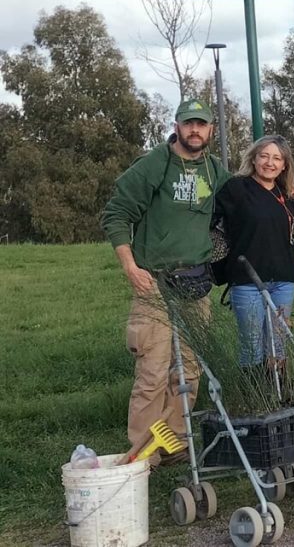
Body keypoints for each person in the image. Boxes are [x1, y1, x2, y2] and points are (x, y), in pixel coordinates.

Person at [101, 98, 229, 464]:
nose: (194, 130)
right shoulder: (155, 164)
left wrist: (284, 187)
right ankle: (143, 454)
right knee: (153, 371)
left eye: (201, 124)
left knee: (188, 369)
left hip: (195, 282)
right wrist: (130, 267)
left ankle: (174, 444)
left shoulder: (213, 170)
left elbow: (239, 199)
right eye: (188, 123)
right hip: (154, 283)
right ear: (176, 126)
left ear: (210, 130)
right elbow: (116, 214)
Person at [213, 135, 294, 378]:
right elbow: (210, 221)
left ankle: (278, 392)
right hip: (247, 280)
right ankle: (254, 394)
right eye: (264, 156)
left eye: (277, 158)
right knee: (251, 344)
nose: (270, 163)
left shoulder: (286, 193)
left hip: (283, 279)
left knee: (278, 343)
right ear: (253, 158)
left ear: (284, 164)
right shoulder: (236, 188)